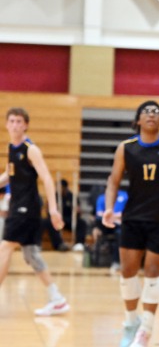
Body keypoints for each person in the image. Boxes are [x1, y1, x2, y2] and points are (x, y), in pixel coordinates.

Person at [103, 101, 159, 347]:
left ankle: (146, 329)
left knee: (153, 271)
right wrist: (109, 208)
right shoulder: (126, 148)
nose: (151, 114)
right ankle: (131, 322)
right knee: (128, 271)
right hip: (132, 218)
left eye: (156, 112)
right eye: (146, 111)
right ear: (138, 120)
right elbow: (113, 182)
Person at [0, 107, 69, 316]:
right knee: (31, 255)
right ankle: (57, 299)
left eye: (19, 121)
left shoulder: (31, 150)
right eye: (12, 121)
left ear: (26, 125)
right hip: (18, 207)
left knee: (5, 247)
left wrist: (54, 210)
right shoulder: (11, 147)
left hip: (26, 208)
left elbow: (47, 178)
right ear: (6, 124)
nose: (15, 125)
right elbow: (9, 174)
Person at [43, 178, 88, 252]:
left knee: (82, 223)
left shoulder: (72, 197)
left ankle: (79, 244)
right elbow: (48, 212)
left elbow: (78, 212)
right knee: (48, 222)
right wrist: (53, 210)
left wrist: (77, 211)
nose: (58, 189)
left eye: (60, 187)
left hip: (70, 219)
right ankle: (59, 245)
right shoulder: (54, 197)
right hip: (58, 219)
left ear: (65, 188)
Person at [93, 188, 129, 271]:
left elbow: (125, 214)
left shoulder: (124, 196)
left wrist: (113, 216)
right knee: (97, 223)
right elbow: (99, 214)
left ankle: (116, 262)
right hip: (105, 225)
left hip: (120, 226)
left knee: (120, 234)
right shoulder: (102, 198)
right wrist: (114, 216)